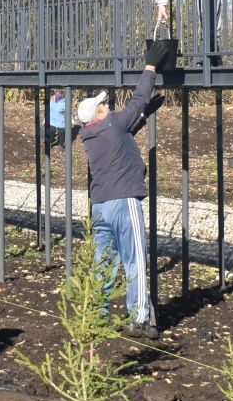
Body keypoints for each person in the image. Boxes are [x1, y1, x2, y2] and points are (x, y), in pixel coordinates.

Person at [77, 41, 173, 335]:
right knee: (135, 259)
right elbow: (139, 97)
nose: (108, 106)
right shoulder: (114, 123)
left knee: (103, 261)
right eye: (104, 105)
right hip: (123, 201)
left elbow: (123, 131)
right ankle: (140, 318)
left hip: (101, 205)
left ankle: (97, 313)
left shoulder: (89, 134)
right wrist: (150, 66)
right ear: (99, 114)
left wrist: (143, 116)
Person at [46, 89, 68, 155]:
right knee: (51, 132)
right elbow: (48, 111)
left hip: (60, 122)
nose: (52, 98)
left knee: (61, 134)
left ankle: (61, 145)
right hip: (52, 121)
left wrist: (71, 120)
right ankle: (49, 144)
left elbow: (68, 112)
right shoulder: (51, 103)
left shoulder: (63, 104)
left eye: (53, 97)